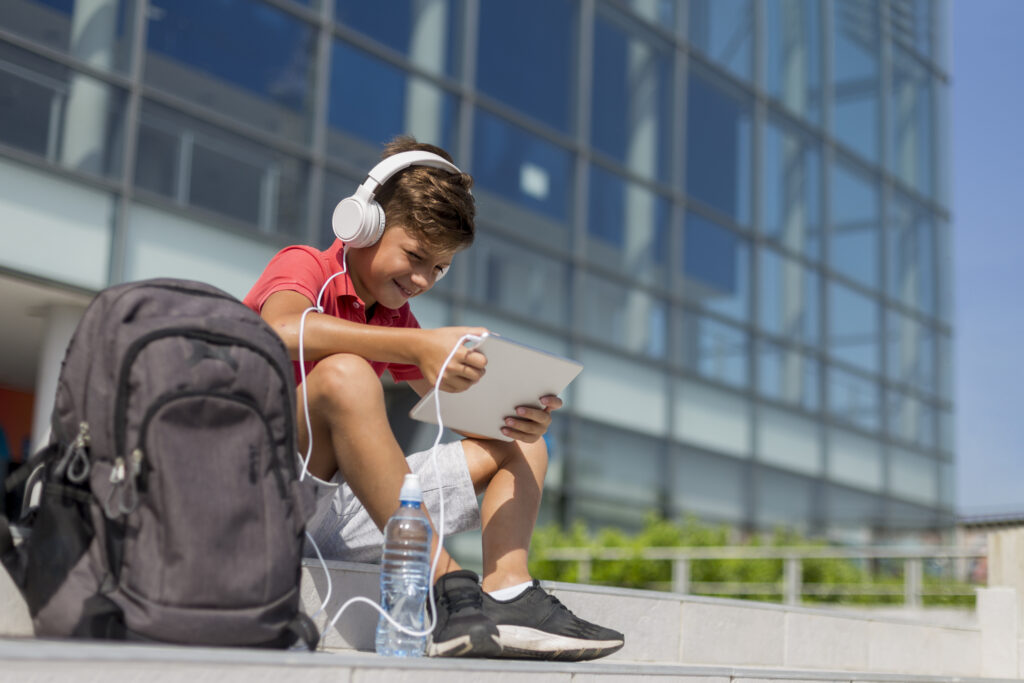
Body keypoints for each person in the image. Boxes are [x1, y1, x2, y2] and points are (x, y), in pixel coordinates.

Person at [243, 136, 623, 661]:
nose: (423, 279)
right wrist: (418, 343)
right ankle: (448, 588)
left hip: (337, 510)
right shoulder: (306, 265)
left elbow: (466, 423)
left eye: (439, 268)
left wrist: (512, 417)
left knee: (519, 446)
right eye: (416, 256)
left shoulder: (396, 318)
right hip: (259, 496)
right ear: (363, 224)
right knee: (349, 374)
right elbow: (281, 327)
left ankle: (509, 594)